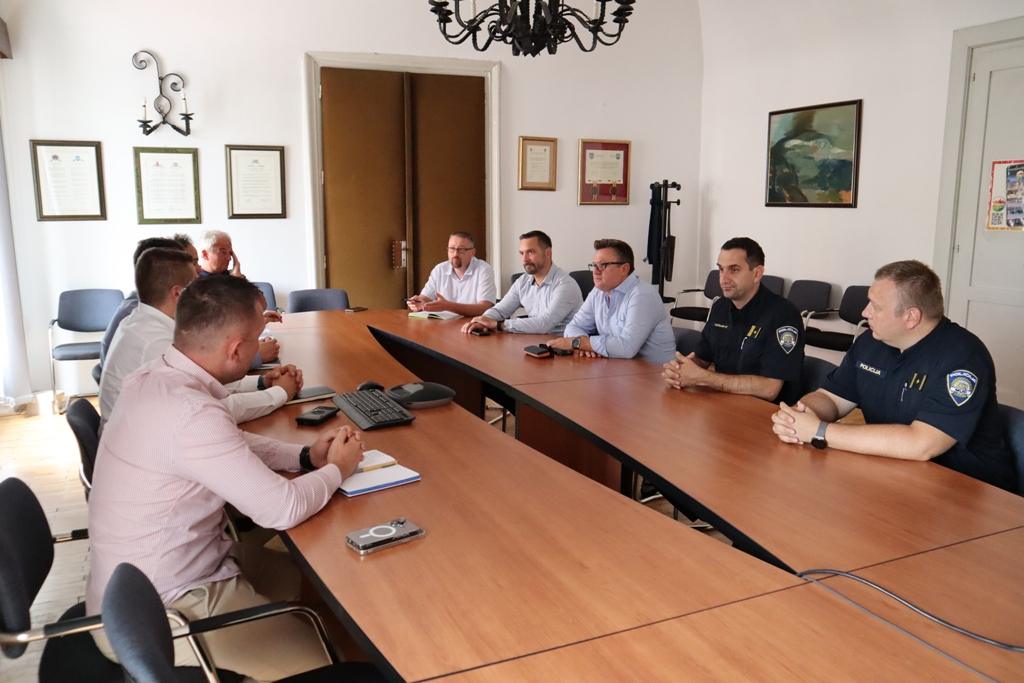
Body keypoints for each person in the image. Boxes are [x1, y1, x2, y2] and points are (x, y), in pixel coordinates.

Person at [86, 275, 367, 679]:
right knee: (333, 659)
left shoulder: (154, 377)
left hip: (157, 576)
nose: (260, 347)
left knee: (327, 588)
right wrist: (338, 468)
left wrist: (305, 455)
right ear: (236, 350)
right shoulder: (191, 413)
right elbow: (282, 508)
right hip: (167, 610)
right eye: (257, 340)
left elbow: (229, 444)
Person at [771, 260, 1017, 493]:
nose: (865, 312)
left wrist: (820, 432)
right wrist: (800, 415)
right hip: (895, 473)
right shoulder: (871, 342)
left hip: (968, 489)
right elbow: (832, 398)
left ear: (911, 317)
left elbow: (922, 444)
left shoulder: (962, 357)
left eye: (876, 306)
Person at [100, 248, 301, 427]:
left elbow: (207, 384)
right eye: (195, 286)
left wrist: (262, 382)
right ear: (178, 294)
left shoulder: (140, 320)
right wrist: (279, 393)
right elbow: (211, 409)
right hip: (146, 446)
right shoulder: (156, 342)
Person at [663, 237, 804, 402]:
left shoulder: (783, 314)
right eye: (721, 269)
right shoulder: (720, 307)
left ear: (757, 273)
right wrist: (679, 369)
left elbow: (769, 389)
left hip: (766, 411)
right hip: (723, 402)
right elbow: (702, 358)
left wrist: (705, 378)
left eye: (734, 270)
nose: (724, 279)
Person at [547, 239, 675, 363]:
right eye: (594, 265)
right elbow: (574, 326)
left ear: (624, 269)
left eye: (602, 265)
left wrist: (579, 343)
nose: (595, 271)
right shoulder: (598, 292)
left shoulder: (642, 295)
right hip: (617, 367)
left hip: (654, 372)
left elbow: (627, 347)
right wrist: (584, 345)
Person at [461, 230, 582, 335]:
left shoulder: (565, 285)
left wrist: (498, 324)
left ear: (548, 253)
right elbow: (500, 309)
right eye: (522, 253)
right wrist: (483, 320)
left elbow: (544, 324)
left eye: (530, 252)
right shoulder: (523, 281)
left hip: (562, 347)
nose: (524, 259)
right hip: (533, 341)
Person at [407, 231, 496, 317]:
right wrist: (418, 302)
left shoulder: (483, 270)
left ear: (473, 252)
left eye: (461, 250)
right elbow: (426, 298)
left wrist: (447, 306)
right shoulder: (439, 269)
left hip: (470, 324)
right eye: (452, 249)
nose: (455, 254)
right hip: (443, 324)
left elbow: (485, 308)